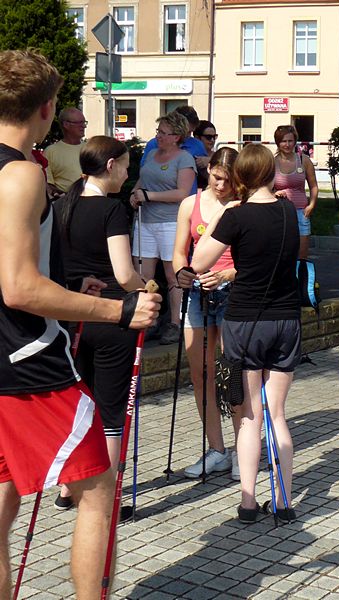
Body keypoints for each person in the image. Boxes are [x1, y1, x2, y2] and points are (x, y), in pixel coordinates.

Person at [0, 50, 160, 599]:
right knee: (96, 488)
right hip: (27, 362)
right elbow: (18, 287)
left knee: (2, 502)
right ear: (47, 110)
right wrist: (115, 308)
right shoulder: (20, 171)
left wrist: (69, 288)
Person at [191, 143, 300, 525]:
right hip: (286, 321)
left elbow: (198, 261)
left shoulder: (236, 217)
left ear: (240, 178)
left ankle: (248, 502)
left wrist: (223, 212)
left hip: (245, 322)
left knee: (251, 416)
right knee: (279, 414)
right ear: (271, 174)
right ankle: (284, 501)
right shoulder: (289, 210)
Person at [53, 136, 148, 516]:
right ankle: (107, 496)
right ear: (110, 165)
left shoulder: (61, 205)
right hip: (110, 315)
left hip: (69, 314)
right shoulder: (112, 210)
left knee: (77, 403)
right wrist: (148, 288)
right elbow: (124, 274)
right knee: (110, 411)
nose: (127, 174)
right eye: (125, 166)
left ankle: (66, 487)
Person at [173, 147, 238, 479]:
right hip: (198, 294)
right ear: (208, 169)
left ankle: (245, 446)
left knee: (235, 375)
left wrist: (228, 274)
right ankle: (217, 449)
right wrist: (181, 273)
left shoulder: (241, 205)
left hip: (232, 294)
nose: (222, 185)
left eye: (228, 179)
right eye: (216, 177)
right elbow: (178, 254)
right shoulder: (191, 204)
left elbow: (254, 258)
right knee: (200, 373)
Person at [130, 111, 196, 345]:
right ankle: (151, 319)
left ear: (177, 136)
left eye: (164, 133)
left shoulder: (183, 159)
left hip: (170, 222)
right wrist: (135, 193)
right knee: (144, 275)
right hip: (145, 221)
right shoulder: (151, 155)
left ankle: (175, 323)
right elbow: (142, 180)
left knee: (172, 275)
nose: (159, 136)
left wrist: (149, 196)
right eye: (158, 132)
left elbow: (182, 193)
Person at [273, 125, 319, 260]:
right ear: (278, 142)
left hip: (301, 211)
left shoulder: (303, 160)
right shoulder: (271, 161)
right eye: (283, 141)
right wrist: (274, 194)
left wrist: (311, 205)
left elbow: (314, 186)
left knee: (301, 255)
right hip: (280, 211)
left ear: (295, 141)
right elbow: (265, 187)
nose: (287, 144)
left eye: (290, 141)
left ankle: (300, 280)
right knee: (281, 252)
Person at [44, 107, 86, 193]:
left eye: (84, 122)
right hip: (66, 203)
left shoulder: (89, 148)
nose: (84, 126)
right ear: (66, 125)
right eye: (79, 122)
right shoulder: (51, 152)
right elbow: (48, 184)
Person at [193, 120, 217, 189]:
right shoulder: (190, 155)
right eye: (208, 137)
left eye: (214, 137)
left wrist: (211, 161)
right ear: (197, 138)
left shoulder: (218, 155)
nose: (212, 140)